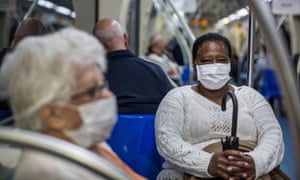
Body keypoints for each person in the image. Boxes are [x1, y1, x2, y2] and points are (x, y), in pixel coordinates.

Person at [0, 28, 145, 180]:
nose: (109, 95)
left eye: (103, 86)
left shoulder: (85, 143)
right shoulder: (47, 171)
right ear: (53, 113)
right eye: (92, 91)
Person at [155, 33, 284, 179]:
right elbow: (167, 141)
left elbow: (273, 134)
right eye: (206, 60)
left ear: (230, 63)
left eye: (221, 60)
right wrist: (207, 163)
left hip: (246, 171)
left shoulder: (251, 97)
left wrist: (255, 163)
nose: (214, 66)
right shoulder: (177, 98)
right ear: (195, 64)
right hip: (192, 173)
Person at [93, 18, 175, 114]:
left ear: (95, 45)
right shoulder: (155, 71)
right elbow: (173, 104)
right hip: (150, 128)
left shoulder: (89, 79)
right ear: (125, 39)